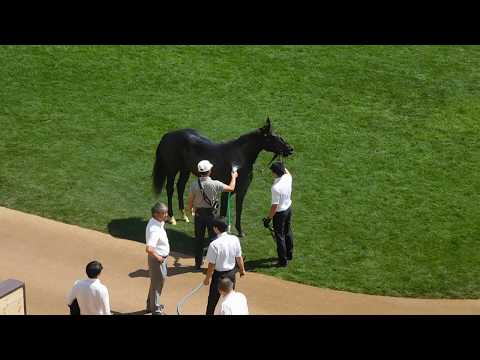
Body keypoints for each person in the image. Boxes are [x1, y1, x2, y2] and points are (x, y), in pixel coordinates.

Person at [187, 160, 238, 269]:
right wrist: (234, 177)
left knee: (199, 240)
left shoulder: (194, 185)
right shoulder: (215, 183)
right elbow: (231, 188)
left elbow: (190, 202)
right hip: (212, 215)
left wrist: (191, 210)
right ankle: (215, 264)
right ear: (209, 171)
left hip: (199, 215)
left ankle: (198, 264)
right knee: (214, 239)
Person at [203, 216, 246, 315]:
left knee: (212, 302)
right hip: (231, 276)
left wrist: (207, 279)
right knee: (229, 299)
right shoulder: (235, 239)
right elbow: (239, 257)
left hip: (218, 277)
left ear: (215, 228)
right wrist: (242, 270)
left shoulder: (214, 244)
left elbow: (211, 265)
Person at [262, 162, 294, 267]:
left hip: (280, 214)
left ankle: (282, 261)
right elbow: (286, 170)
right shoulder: (288, 177)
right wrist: (282, 164)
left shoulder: (275, 187)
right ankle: (289, 254)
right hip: (288, 209)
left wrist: (268, 219)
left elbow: (274, 206)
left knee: (280, 237)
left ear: (275, 172)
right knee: (288, 232)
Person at [145, 202, 170, 315]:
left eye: (166, 212)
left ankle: (150, 305)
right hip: (157, 260)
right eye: (163, 213)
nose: (166, 215)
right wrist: (159, 258)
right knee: (157, 284)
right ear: (156, 214)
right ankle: (155, 310)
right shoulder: (154, 229)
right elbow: (149, 249)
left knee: (156, 282)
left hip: (160, 259)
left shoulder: (157, 222)